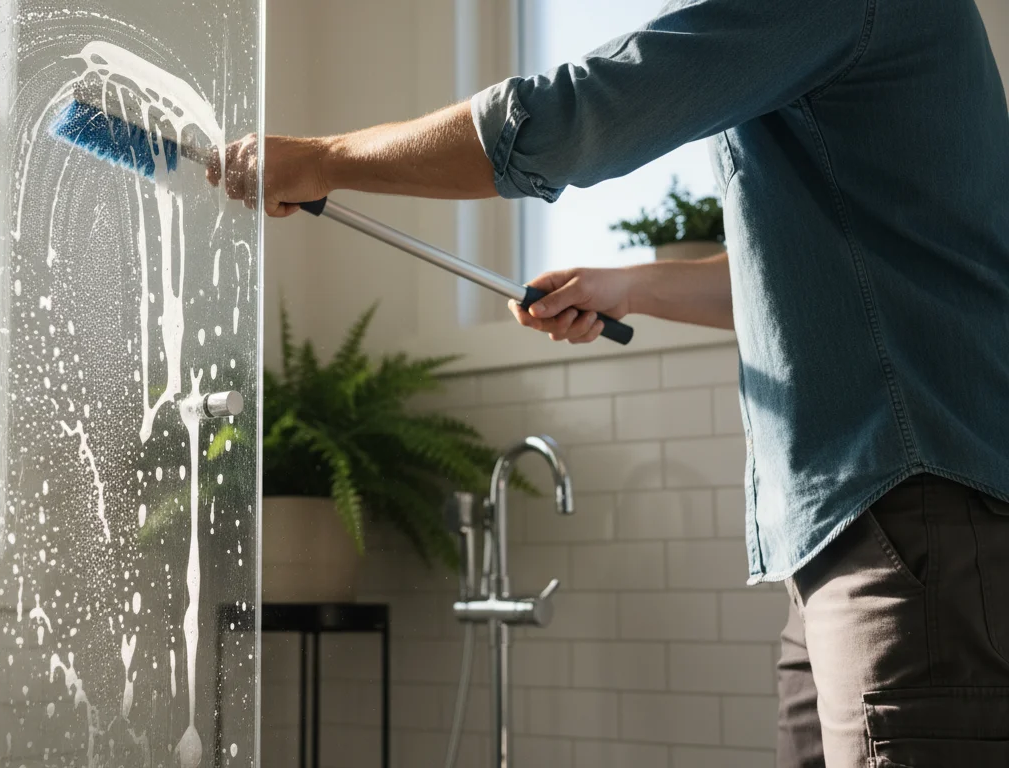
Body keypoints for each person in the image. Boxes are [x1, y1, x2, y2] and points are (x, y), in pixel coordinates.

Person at [209, 0, 1009, 765]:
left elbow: (565, 122)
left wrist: (324, 160)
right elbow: (819, 275)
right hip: (861, 533)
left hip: (911, 517)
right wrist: (630, 286)